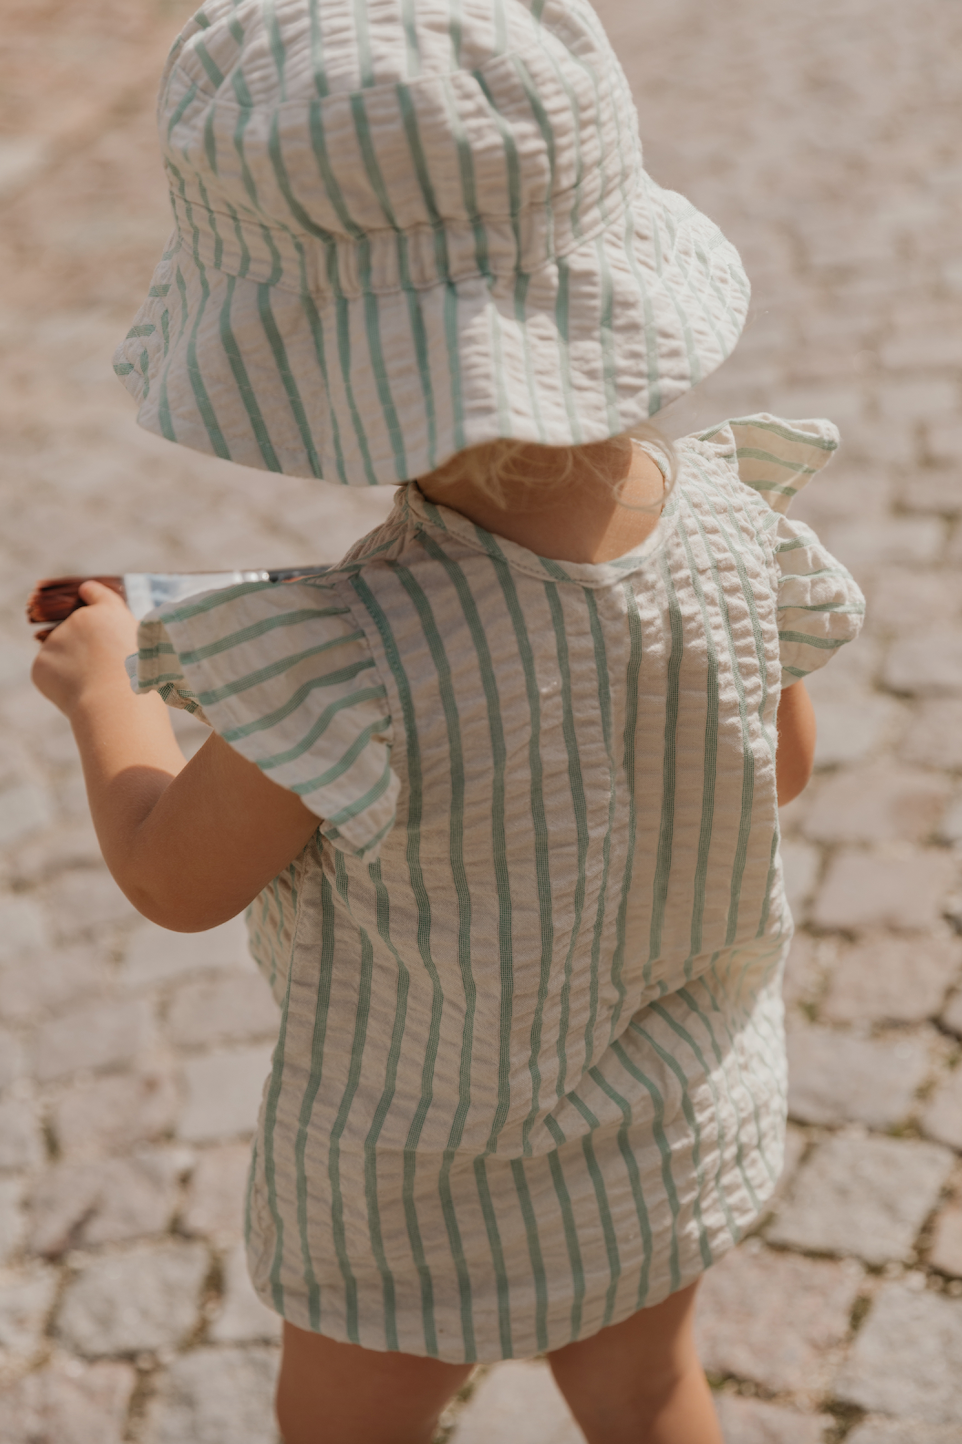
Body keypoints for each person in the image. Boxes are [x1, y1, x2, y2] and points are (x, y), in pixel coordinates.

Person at [32, 1, 864, 1440]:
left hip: (411, 1186)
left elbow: (174, 876)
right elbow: (775, 765)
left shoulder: (341, 660)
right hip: (658, 1124)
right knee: (652, 1387)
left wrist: (106, 689)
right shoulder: (737, 528)